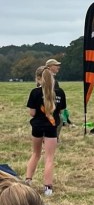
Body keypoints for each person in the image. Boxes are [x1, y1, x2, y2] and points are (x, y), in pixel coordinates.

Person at [25, 66, 65, 196]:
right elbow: (61, 111)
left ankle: (28, 181)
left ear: (38, 78)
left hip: (37, 126)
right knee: (49, 157)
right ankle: (48, 188)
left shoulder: (34, 92)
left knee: (35, 154)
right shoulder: (60, 93)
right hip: (51, 128)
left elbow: (32, 113)